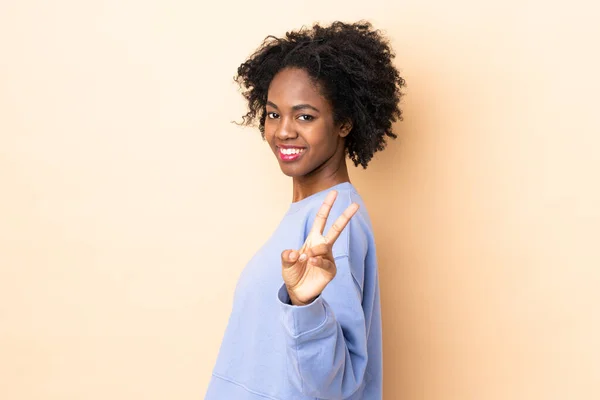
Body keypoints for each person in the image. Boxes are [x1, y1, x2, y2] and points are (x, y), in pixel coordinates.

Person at [205, 21, 405, 400]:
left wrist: (306, 304)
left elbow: (333, 385)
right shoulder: (309, 213)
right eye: (273, 114)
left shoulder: (334, 223)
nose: (283, 131)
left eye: (305, 116)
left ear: (344, 123)